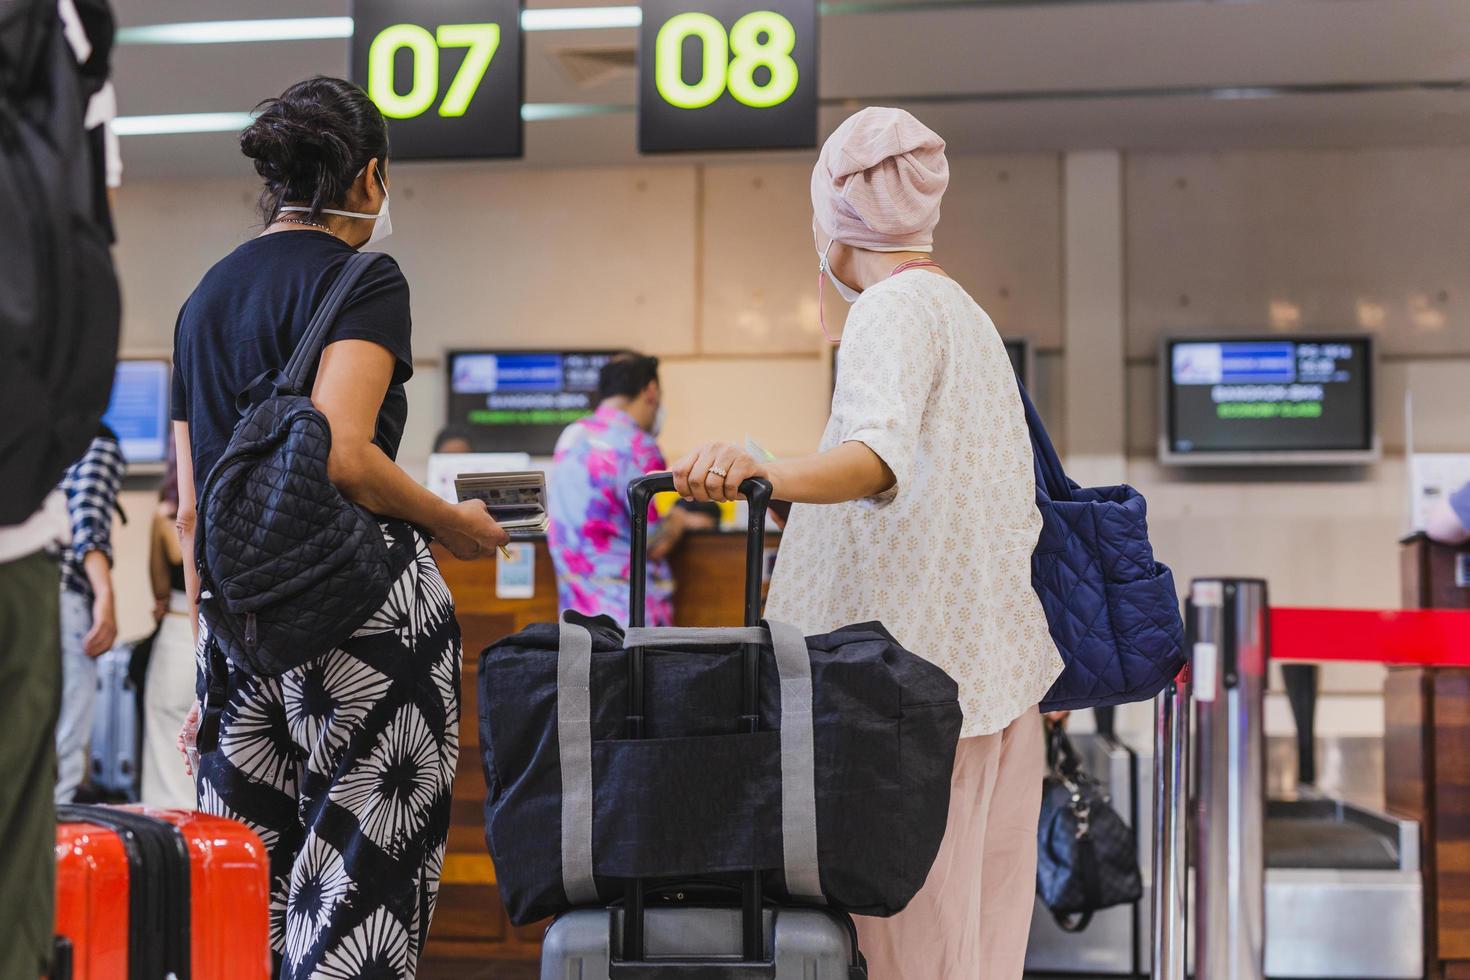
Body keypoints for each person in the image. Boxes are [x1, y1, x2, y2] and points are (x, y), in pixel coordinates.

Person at [671, 107, 1063, 980]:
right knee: (975, 949)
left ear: (834, 215)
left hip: (902, 700)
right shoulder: (963, 314)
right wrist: (787, 501)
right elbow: (924, 493)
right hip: (989, 685)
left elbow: (875, 459)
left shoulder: (888, 310)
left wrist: (755, 471)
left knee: (901, 951)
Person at [170, 76, 507, 978]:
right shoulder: (365, 276)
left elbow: (193, 504)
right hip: (364, 617)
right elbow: (345, 453)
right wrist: (458, 526)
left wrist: (209, 660)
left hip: (241, 629)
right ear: (366, 177)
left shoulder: (202, 300)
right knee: (362, 887)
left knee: (246, 891)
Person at [548, 353, 706, 626]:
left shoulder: (570, 436)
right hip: (630, 615)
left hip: (576, 615)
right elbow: (655, 541)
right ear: (651, 391)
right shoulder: (639, 446)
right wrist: (680, 519)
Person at [52, 424, 124, 803]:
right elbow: (88, 518)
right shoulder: (98, 442)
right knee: (67, 728)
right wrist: (105, 597)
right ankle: (51, 850)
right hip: (64, 599)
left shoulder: (38, 439)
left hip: (25, 590)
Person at [140, 438, 195, 807]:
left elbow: (159, 588)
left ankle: (167, 838)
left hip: (176, 630)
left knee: (165, 736)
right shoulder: (217, 508)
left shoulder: (164, 519)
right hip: (216, 635)